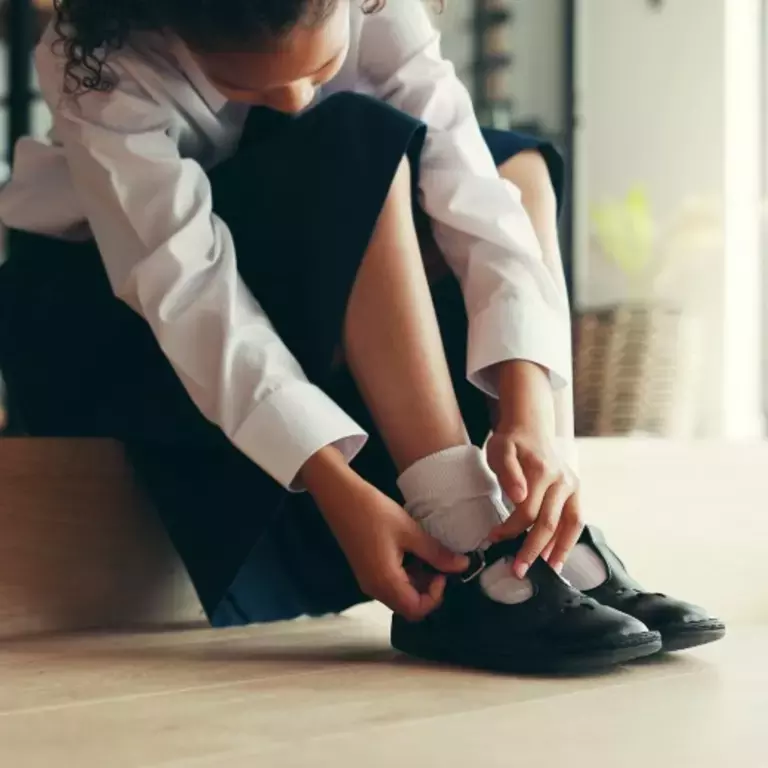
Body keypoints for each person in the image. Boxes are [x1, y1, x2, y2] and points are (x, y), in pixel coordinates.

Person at [0, 0, 724, 673]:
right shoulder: (96, 60)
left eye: (315, 67)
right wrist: (332, 481)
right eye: (241, 82)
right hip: (107, 322)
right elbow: (187, 292)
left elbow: (468, 187)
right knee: (350, 140)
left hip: (289, 271)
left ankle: (542, 527)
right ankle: (464, 531)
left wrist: (529, 411)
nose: (293, 99)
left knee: (511, 167)